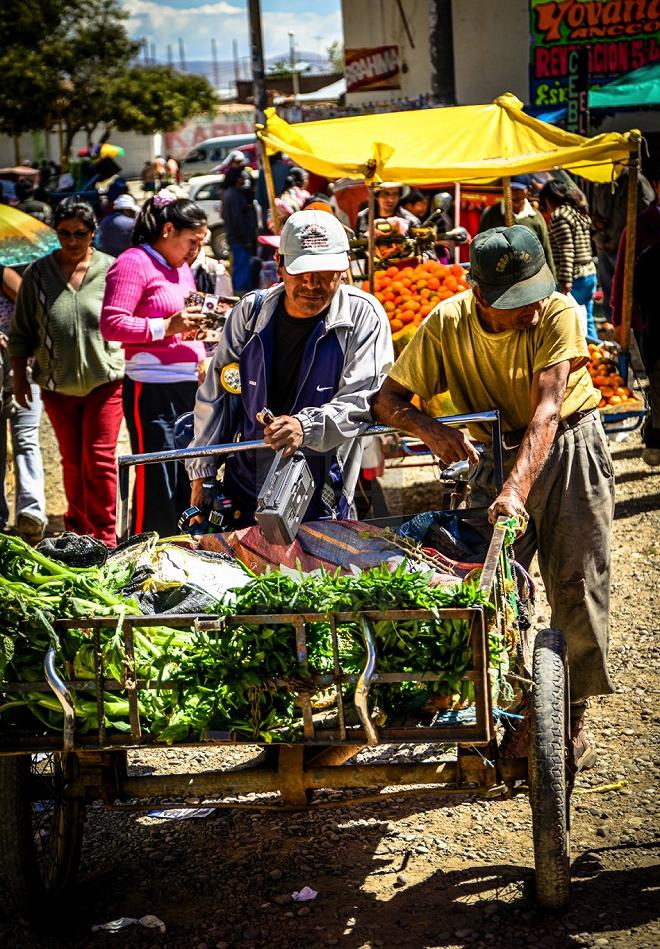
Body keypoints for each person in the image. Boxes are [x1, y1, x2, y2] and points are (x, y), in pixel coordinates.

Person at [373, 225, 613, 771]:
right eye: (512, 303)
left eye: (532, 295)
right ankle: (497, 710)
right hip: (497, 451)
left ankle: (569, 718)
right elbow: (386, 400)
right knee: (482, 592)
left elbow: (547, 410)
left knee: (578, 582)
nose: (527, 311)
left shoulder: (558, 312)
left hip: (570, 444)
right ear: (478, 293)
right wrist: (429, 428)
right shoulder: (446, 323)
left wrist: (514, 491)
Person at [186, 209, 393, 525]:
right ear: (280, 265)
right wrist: (202, 473)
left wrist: (305, 427)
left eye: (324, 272)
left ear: (345, 266)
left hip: (323, 489)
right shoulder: (251, 313)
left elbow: (362, 399)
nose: (312, 284)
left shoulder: (363, 316)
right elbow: (216, 395)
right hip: (246, 484)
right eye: (301, 272)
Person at [10, 198, 124, 545]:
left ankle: (104, 537)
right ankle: (77, 531)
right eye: (64, 233)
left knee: (100, 460)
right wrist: (18, 378)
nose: (72, 241)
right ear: (55, 233)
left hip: (105, 383)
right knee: (72, 463)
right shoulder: (38, 275)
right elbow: (21, 332)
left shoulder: (111, 269)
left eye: (80, 233)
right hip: (57, 387)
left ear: (93, 233)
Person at [100, 190, 207, 536]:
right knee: (156, 473)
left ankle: (183, 545)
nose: (195, 251)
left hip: (189, 384)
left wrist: (203, 352)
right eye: (191, 241)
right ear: (168, 230)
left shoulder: (182, 268)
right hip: (152, 386)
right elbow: (112, 324)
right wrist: (166, 326)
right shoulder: (133, 262)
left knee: (186, 472)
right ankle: (150, 546)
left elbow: (186, 319)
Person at [611, 162, 660, 466]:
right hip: (652, 322)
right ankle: (656, 438)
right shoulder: (641, 225)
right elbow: (622, 278)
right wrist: (619, 319)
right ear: (656, 185)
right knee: (657, 382)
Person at [0, 266, 46, 543]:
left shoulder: (7, 273)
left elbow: (33, 311)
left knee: (26, 439)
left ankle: (32, 513)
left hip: (23, 368)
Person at [539, 179, 598, 343]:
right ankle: (595, 355)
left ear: (549, 200)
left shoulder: (560, 216)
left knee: (571, 322)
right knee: (587, 319)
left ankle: (581, 358)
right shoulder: (577, 212)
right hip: (589, 273)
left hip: (574, 277)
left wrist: (565, 281)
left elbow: (567, 250)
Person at [591, 167, 655, 314]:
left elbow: (647, 212)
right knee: (609, 292)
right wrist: (597, 223)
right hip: (604, 246)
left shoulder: (636, 180)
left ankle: (630, 326)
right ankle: (613, 325)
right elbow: (593, 214)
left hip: (626, 248)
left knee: (627, 291)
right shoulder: (601, 180)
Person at [478, 175, 555, 279]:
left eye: (519, 190)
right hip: (498, 278)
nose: (515, 194)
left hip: (530, 277)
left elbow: (545, 250)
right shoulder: (491, 214)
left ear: (528, 191)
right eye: (512, 190)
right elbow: (480, 246)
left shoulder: (536, 218)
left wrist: (551, 277)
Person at [222, 168, 260, 294]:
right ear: (236, 178)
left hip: (237, 238)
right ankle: (240, 293)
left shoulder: (233, 193)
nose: (244, 179)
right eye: (241, 177)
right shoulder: (233, 195)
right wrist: (246, 239)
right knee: (242, 268)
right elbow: (237, 219)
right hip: (239, 239)